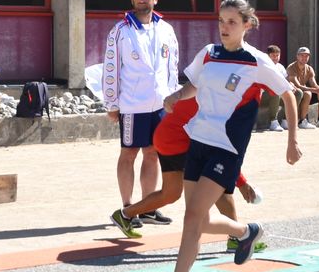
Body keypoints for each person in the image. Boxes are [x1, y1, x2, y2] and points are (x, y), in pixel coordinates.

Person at [144, 0, 300, 272]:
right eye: (221, 21)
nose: (224, 27)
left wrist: (292, 141)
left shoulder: (256, 61)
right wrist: (177, 95)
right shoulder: (209, 53)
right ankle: (245, 232)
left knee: (192, 218)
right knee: (197, 219)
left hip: (226, 148)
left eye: (231, 22)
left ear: (247, 25)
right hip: (198, 141)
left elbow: (288, 95)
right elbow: (194, 86)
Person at [110, 81, 259, 241]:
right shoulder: (219, 98)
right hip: (177, 140)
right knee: (217, 186)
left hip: (166, 137)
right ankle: (239, 238)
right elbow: (220, 151)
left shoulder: (214, 85)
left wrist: (241, 181)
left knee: (171, 193)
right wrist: (241, 183)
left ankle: (125, 215)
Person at [101, 0, 180, 226]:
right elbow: (110, 69)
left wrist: (173, 97)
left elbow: (172, 66)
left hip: (160, 104)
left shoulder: (166, 29)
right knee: (128, 154)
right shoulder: (120, 31)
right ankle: (127, 208)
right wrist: (112, 104)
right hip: (132, 105)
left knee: (153, 153)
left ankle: (147, 207)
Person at [286, 46, 319, 129]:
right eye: (302, 55)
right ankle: (302, 121)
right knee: (308, 93)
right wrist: (314, 90)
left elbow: (313, 84)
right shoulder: (291, 67)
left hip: (305, 91)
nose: (304, 58)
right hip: (295, 93)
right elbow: (298, 86)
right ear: (297, 56)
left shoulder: (309, 68)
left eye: (306, 56)